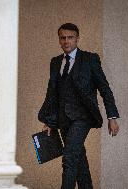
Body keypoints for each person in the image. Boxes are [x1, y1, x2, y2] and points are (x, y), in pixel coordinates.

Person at [38, 23, 120, 189]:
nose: (67, 41)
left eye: (70, 37)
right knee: (78, 158)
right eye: (63, 38)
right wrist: (49, 121)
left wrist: (112, 117)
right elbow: (52, 94)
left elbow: (104, 88)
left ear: (77, 39)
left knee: (69, 157)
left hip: (82, 118)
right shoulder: (55, 62)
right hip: (63, 119)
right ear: (59, 40)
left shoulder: (90, 59)